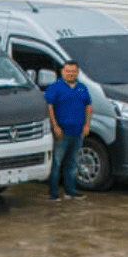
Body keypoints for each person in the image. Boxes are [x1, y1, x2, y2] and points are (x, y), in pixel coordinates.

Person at [44, 60, 93, 200]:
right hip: (62, 132)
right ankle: (53, 193)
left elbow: (88, 107)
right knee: (57, 163)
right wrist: (55, 126)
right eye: (68, 71)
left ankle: (70, 191)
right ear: (62, 72)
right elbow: (49, 107)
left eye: (73, 71)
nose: (70, 74)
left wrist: (87, 125)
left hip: (78, 131)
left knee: (72, 163)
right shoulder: (55, 87)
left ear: (77, 73)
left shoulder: (83, 88)